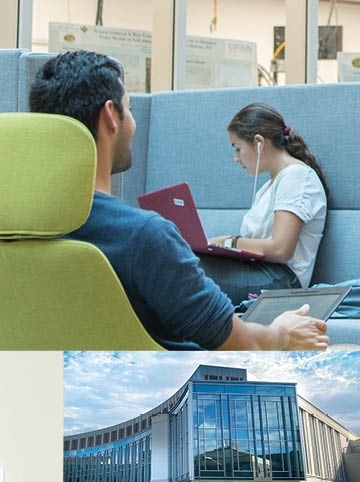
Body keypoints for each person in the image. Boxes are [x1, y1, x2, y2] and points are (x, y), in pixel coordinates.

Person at [28, 50, 328, 351]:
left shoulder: (22, 231)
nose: (133, 121)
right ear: (111, 116)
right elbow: (241, 343)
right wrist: (283, 332)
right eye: (130, 109)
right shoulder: (144, 238)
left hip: (61, 386)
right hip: (169, 385)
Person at [199, 103, 329, 305]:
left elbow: (280, 249)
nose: (236, 158)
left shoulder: (297, 177)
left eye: (238, 148)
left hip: (282, 282)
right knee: (184, 262)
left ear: (259, 142)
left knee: (187, 270)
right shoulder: (270, 186)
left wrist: (230, 241)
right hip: (259, 272)